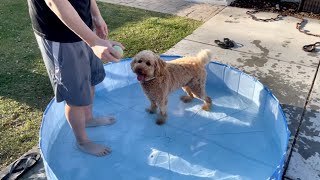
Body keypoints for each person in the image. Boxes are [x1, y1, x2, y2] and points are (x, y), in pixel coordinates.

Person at [27, 0, 125, 156]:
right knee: (75, 95)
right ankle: (82, 141)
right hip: (59, 34)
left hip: (83, 27)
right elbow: (54, 2)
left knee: (91, 80)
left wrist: (95, 14)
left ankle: (88, 118)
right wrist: (94, 42)